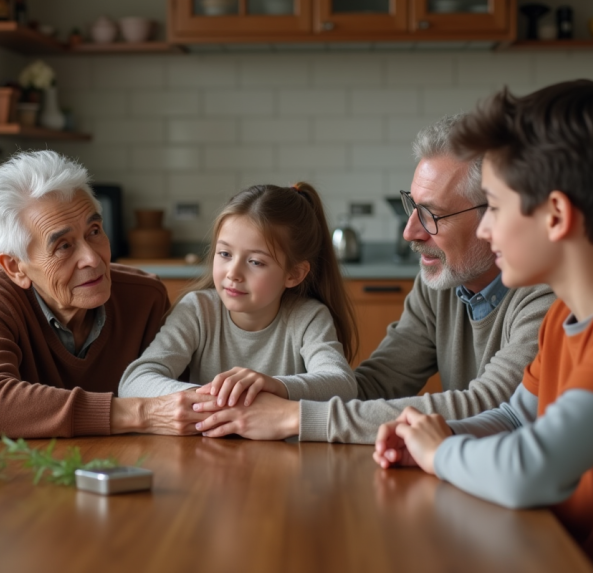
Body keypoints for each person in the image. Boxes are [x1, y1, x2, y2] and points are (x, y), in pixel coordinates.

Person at [373, 80, 593, 572]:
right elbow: (517, 417)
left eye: (495, 207)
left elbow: (531, 470)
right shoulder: (565, 314)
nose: (482, 228)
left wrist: (442, 453)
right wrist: (431, 437)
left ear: (557, 216)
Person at [192, 115, 554, 442]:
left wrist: (298, 418)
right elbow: (375, 385)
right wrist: (278, 392)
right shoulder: (441, 284)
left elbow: (493, 406)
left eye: (432, 215)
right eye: (412, 207)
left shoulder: (546, 295)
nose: (410, 232)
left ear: (493, 213)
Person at [0, 150, 217, 437]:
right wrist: (141, 413)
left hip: (102, 462)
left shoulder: (144, 297)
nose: (93, 259)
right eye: (63, 246)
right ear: (15, 267)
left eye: (94, 231)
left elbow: (177, 403)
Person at [119, 183, 358, 407]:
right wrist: (213, 400)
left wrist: (276, 386)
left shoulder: (308, 317)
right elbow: (133, 382)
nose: (233, 273)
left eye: (255, 261)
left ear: (294, 274)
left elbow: (343, 384)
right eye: (225, 254)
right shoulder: (197, 310)